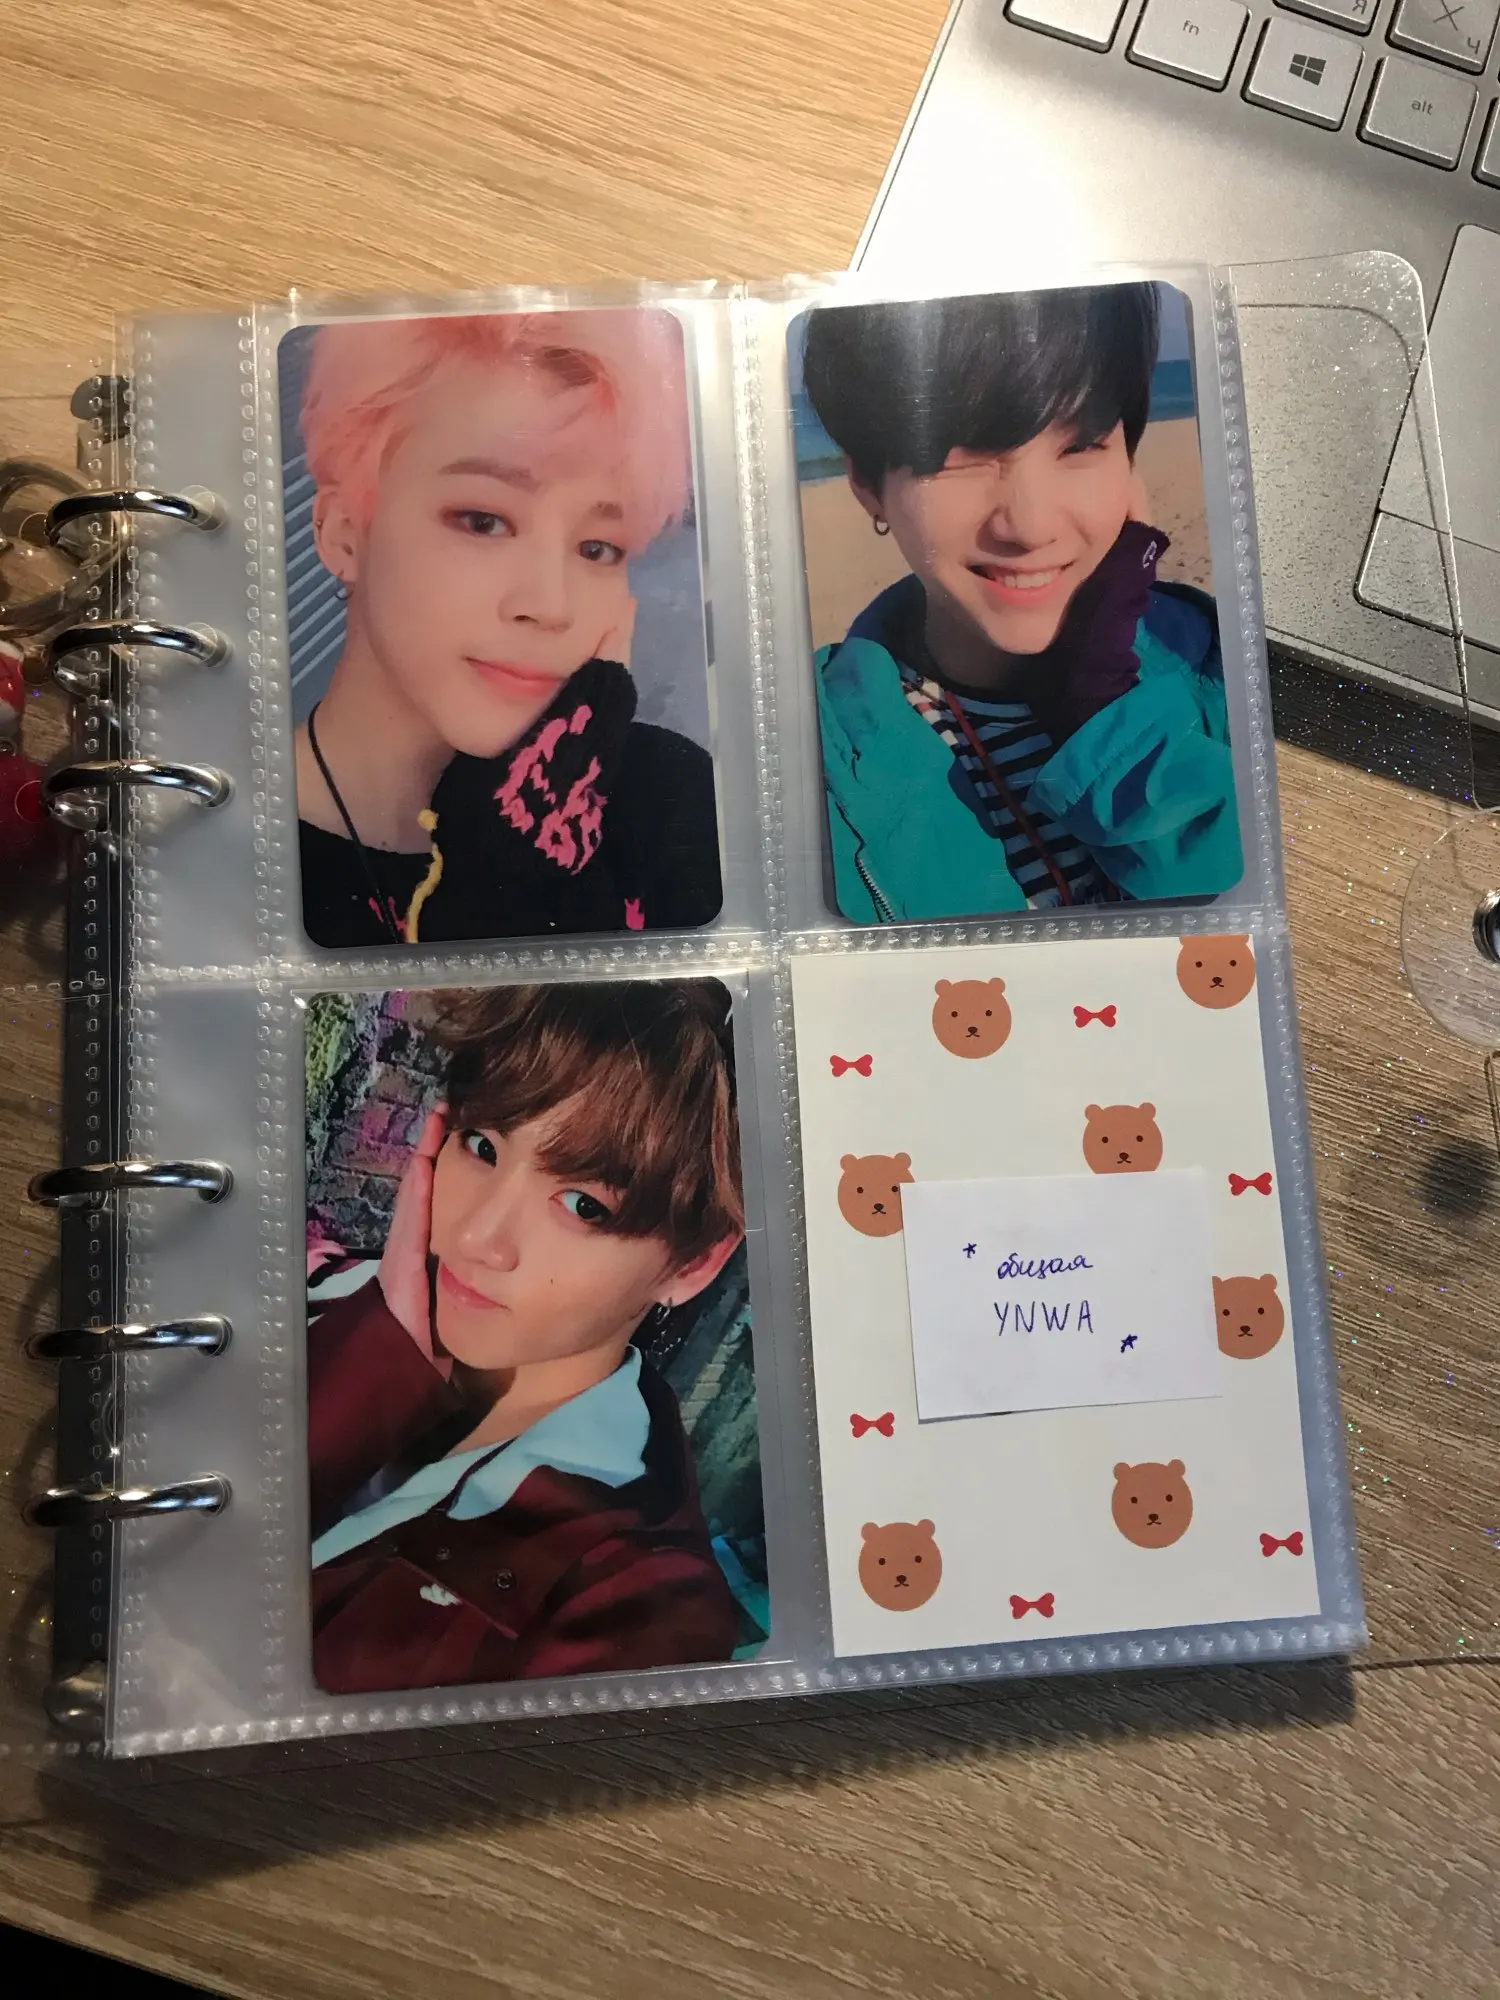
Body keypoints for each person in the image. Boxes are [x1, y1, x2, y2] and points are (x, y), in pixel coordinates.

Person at [307, 981, 747, 1695]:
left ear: (692, 1264)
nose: (478, 1238)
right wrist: (367, 1361)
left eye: (583, 1205)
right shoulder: (313, 1294)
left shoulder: (639, 1610)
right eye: (482, 1145)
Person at [800, 283, 1243, 920]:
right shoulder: (804, 763)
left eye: (1082, 444)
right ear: (868, 483)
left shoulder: (1229, 666)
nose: (1030, 527)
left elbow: (1247, 933)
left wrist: (1106, 706)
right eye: (960, 455)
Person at [291, 310, 722, 946]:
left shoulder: (667, 799)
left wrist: (526, 880)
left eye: (598, 547)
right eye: (483, 521)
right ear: (344, 534)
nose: (551, 606)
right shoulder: (225, 847)